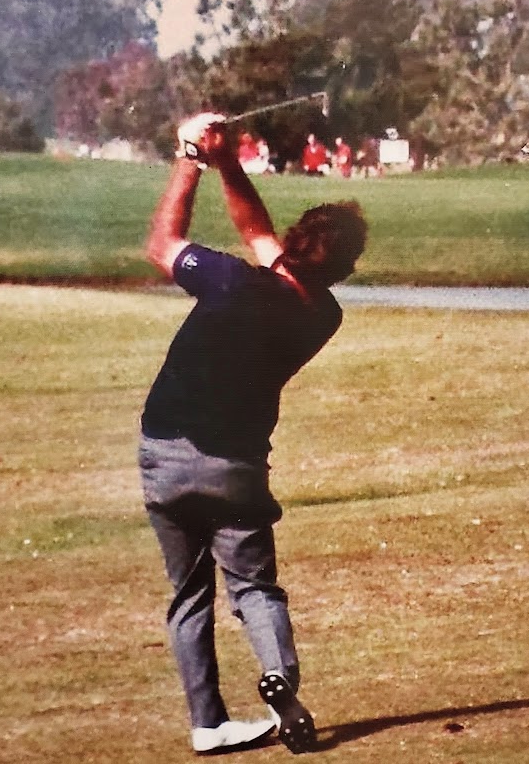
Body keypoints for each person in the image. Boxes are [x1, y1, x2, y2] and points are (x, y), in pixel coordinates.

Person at [138, 112, 368, 755]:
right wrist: (228, 161)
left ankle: (208, 724)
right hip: (235, 469)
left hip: (163, 455)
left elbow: (162, 243)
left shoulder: (228, 280)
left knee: (188, 596)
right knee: (254, 588)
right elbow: (256, 232)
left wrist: (190, 156)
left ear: (294, 241)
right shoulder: (322, 314)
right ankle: (279, 681)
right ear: (342, 267)